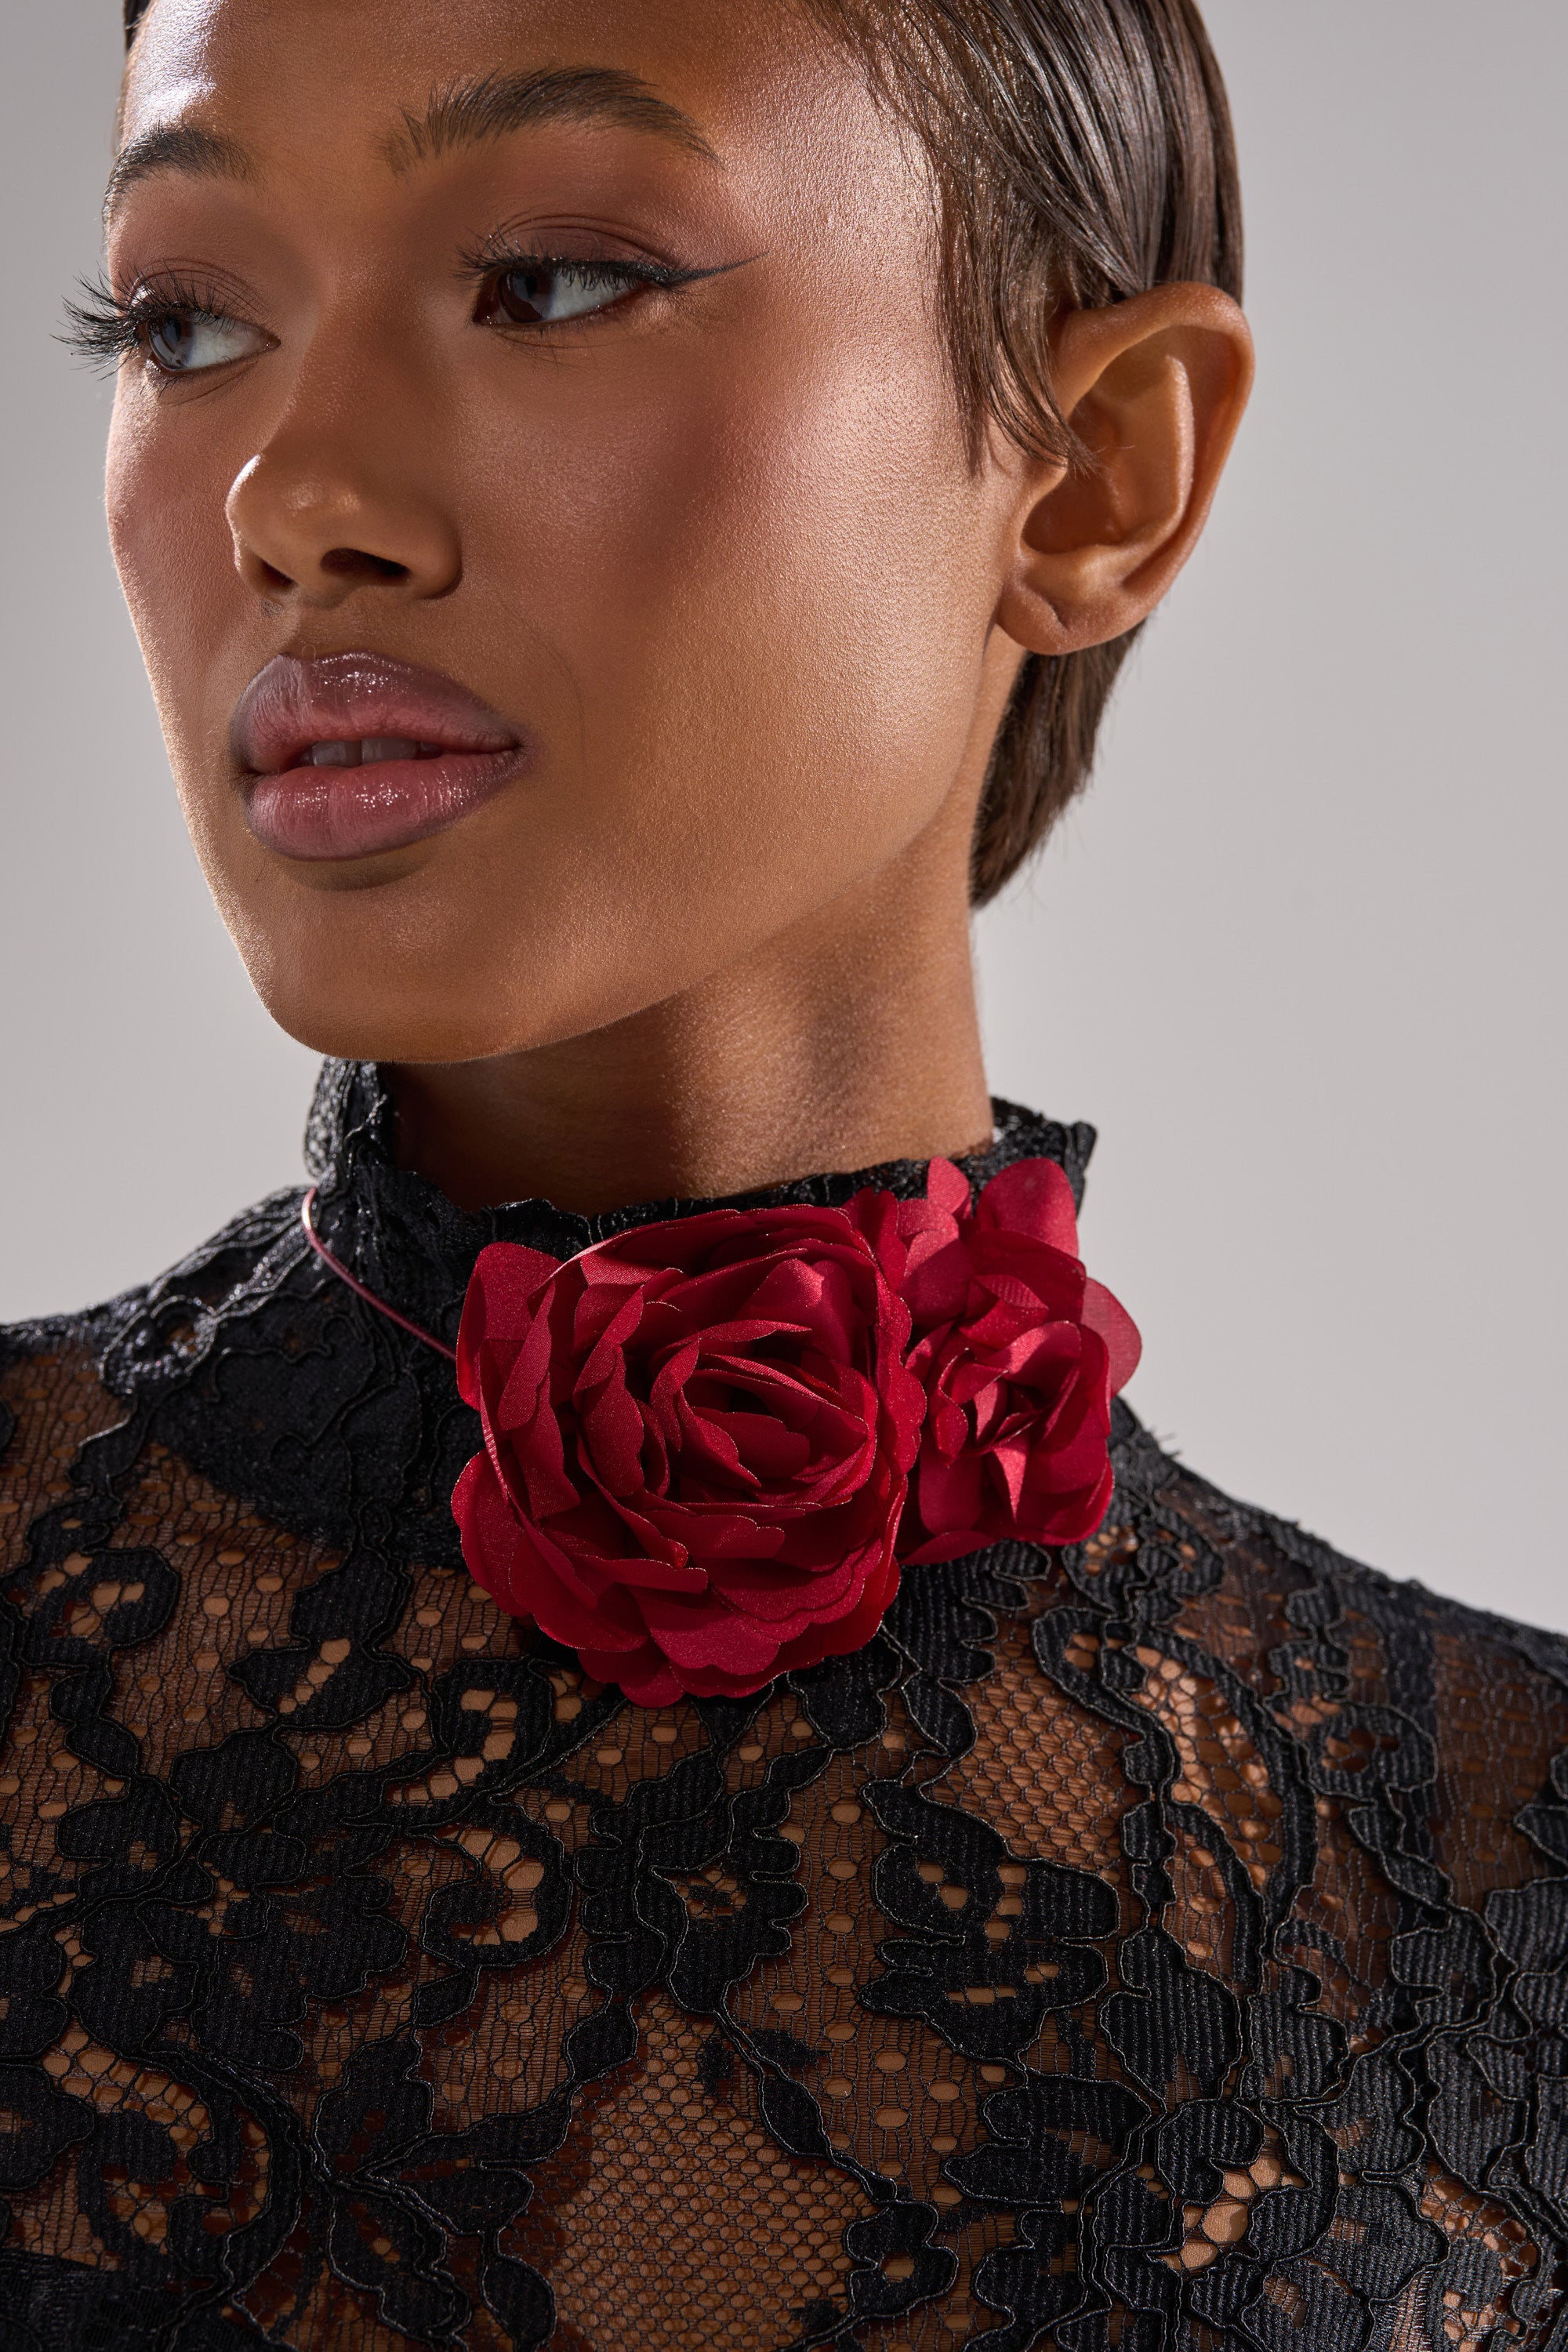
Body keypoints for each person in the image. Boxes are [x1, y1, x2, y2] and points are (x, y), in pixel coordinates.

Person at [0, 1, 1561, 2346]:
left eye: (547, 282)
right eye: (188, 317)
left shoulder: (1505, 1856)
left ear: (1093, 472)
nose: (288, 493)